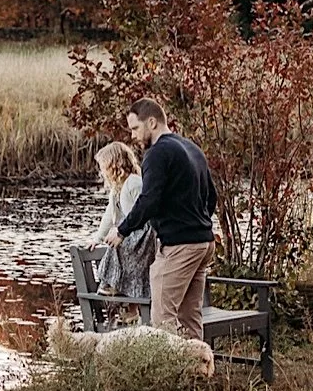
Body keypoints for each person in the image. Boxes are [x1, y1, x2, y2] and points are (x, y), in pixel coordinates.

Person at [109, 98, 217, 346]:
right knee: (190, 318)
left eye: (135, 128)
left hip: (179, 246)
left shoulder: (156, 154)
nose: (133, 136)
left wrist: (122, 230)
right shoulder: (192, 149)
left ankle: (167, 370)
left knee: (162, 320)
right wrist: (197, 223)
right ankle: (197, 367)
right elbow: (211, 197)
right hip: (203, 243)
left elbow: (149, 200)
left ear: (152, 122)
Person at [85, 140, 154, 308]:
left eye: (104, 166)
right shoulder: (117, 188)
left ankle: (115, 286)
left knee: (117, 243)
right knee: (113, 242)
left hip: (141, 232)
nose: (102, 171)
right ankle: (114, 286)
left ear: (115, 164)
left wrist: (122, 232)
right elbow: (109, 215)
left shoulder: (134, 183)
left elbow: (144, 210)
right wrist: (98, 238)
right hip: (129, 231)